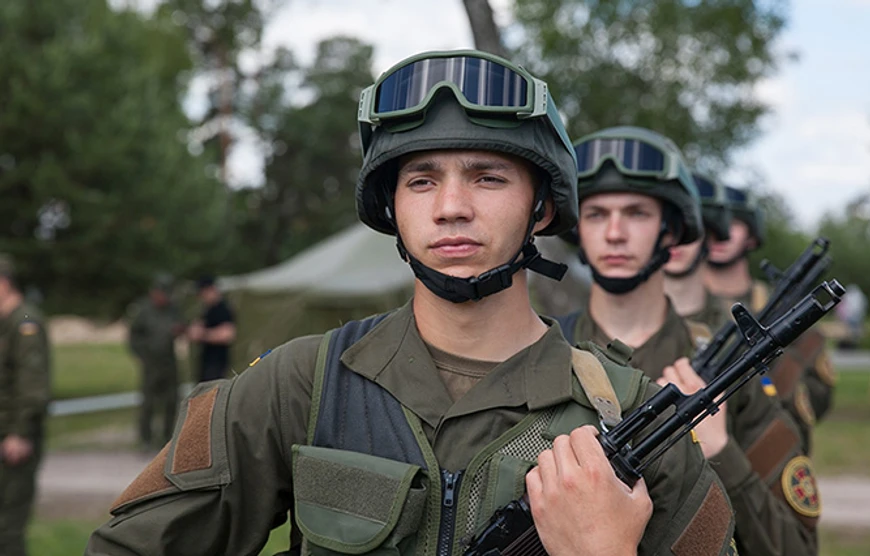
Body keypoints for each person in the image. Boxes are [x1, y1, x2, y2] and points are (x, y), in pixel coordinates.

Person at [85, 50, 735, 556]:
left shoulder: (633, 418)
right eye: (422, 181)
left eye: (488, 177)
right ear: (391, 208)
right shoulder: (302, 384)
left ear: (541, 208)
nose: (451, 207)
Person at [554, 126, 818, 555]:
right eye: (596, 214)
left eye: (637, 213)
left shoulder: (730, 370)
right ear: (577, 229)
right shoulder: (543, 354)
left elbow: (797, 548)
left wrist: (721, 452)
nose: (615, 233)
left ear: (671, 231)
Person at [704, 186, 835, 441]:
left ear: (752, 236)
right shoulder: (679, 306)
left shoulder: (783, 309)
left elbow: (816, 400)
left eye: (732, 224)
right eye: (711, 224)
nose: (720, 233)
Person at [0, 254, 51, 556]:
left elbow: (33, 385)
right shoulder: (6, 323)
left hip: (14, 439)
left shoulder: (25, 323)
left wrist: (20, 433)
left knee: (8, 528)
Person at [663, 173, 731, 330]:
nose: (676, 241)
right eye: (666, 228)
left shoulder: (735, 322)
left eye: (688, 230)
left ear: (710, 239)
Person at [127, 273, 185, 451]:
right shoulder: (144, 311)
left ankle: (167, 438)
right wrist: (142, 355)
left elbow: (183, 325)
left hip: (168, 360)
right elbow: (134, 337)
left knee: (171, 400)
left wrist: (178, 330)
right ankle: (146, 439)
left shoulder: (173, 309)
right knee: (149, 402)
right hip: (151, 362)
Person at [188, 276, 236, 382]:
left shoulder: (222, 309)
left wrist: (203, 334)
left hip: (217, 363)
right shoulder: (206, 310)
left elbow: (227, 334)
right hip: (206, 361)